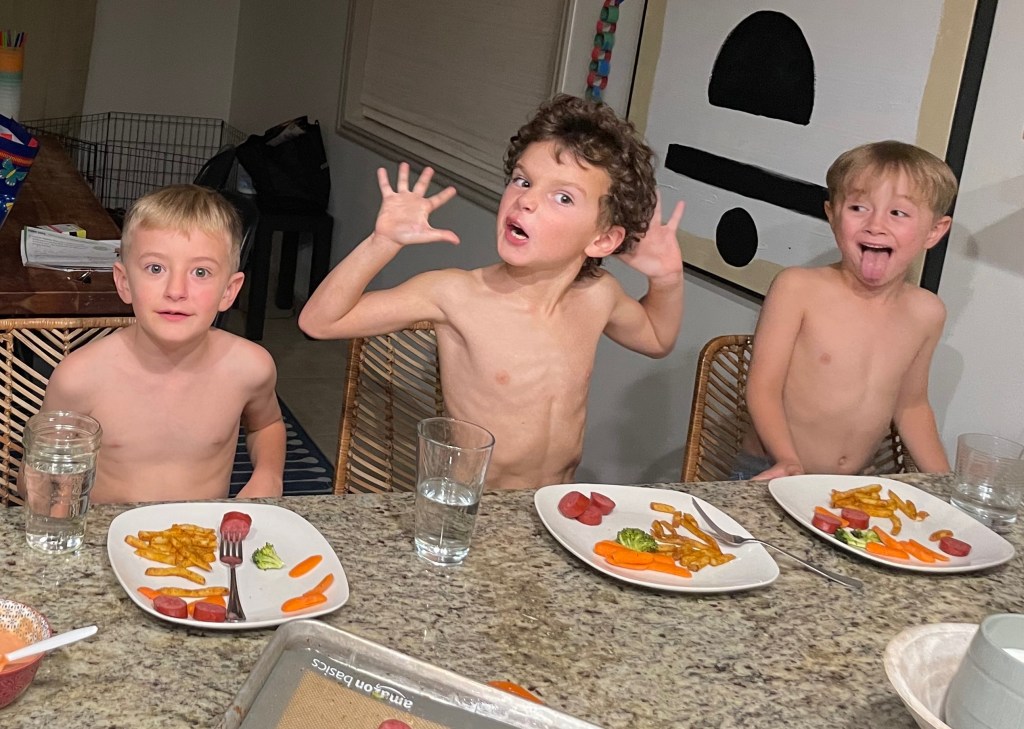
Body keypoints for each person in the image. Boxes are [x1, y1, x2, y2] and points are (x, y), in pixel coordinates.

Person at [300, 94, 685, 490]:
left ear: (603, 240)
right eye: (523, 181)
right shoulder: (455, 293)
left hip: (555, 501)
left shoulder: (598, 294)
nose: (527, 200)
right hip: (474, 507)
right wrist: (382, 242)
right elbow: (319, 322)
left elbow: (657, 339)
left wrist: (668, 279)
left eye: (563, 197)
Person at [35, 184, 286, 502]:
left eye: (200, 272)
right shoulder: (80, 377)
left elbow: (267, 425)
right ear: (124, 283)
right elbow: (38, 478)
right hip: (107, 531)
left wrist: (268, 475)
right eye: (156, 268)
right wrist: (52, 493)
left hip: (202, 531)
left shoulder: (250, 367)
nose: (176, 290)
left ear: (229, 291)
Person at [740, 140, 957, 480]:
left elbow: (912, 405)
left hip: (851, 484)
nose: (875, 225)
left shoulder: (927, 313)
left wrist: (945, 484)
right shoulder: (797, 288)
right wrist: (787, 460)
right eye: (858, 208)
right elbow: (763, 388)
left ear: (934, 231)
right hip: (774, 470)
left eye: (898, 213)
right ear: (832, 214)